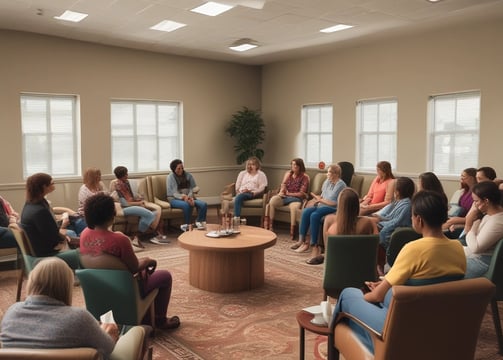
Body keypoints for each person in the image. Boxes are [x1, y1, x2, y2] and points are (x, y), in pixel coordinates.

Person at [330, 190, 466, 354]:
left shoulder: (413, 249)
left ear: (419, 219)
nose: (411, 218)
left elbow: (376, 296)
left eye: (412, 215)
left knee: (347, 295)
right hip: (436, 322)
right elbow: (429, 282)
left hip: (401, 324)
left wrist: (363, 296)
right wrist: (385, 287)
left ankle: (345, 347)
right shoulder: (458, 248)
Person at [0, 257, 148, 359]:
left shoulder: (12, 312)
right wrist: (109, 333)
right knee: (139, 331)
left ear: (32, 283)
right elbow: (108, 349)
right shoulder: (79, 318)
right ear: (65, 287)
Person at [80, 193, 180, 330]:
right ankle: (160, 320)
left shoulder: (84, 234)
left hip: (98, 289)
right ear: (111, 215)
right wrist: (149, 260)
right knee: (165, 276)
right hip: (123, 289)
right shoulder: (119, 240)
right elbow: (134, 267)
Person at [19, 173, 79, 269]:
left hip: (40, 246)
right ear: (44, 186)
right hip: (46, 253)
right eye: (52, 183)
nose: (54, 185)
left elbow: (48, 228)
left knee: (72, 231)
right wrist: (66, 238)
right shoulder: (40, 210)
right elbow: (54, 237)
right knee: (82, 253)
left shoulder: (30, 204)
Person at [307, 188, 375, 265]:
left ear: (340, 205)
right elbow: (375, 248)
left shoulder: (329, 220)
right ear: (357, 205)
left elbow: (328, 249)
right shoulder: (368, 222)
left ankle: (319, 254)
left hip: (335, 269)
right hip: (361, 268)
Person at [292, 164, 346, 256]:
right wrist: (316, 200)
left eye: (329, 172)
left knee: (314, 215)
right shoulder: (327, 182)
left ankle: (314, 244)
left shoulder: (340, 184)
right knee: (306, 211)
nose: (327, 174)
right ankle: (301, 241)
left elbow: (334, 202)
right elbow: (322, 195)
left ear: (336, 174)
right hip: (322, 205)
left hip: (333, 207)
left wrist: (320, 200)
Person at [368, 177, 415, 273]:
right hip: (384, 224)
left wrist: (379, 222)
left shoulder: (407, 205)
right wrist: (378, 217)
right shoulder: (398, 202)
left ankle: (378, 265)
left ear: (397, 191)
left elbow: (396, 222)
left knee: (369, 226)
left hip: (392, 230)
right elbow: (388, 215)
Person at [113, 166, 167, 245]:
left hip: (132, 204)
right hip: (124, 208)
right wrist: (138, 203)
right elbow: (125, 203)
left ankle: (151, 233)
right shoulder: (118, 186)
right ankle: (139, 235)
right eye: (126, 174)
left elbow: (131, 197)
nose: (127, 175)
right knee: (150, 215)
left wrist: (138, 199)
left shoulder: (126, 183)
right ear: (122, 175)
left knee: (156, 213)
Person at [463, 181, 503, 278]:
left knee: (443, 267)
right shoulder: (488, 216)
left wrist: (469, 224)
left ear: (486, 201)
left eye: (476, 201)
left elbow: (475, 247)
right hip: (476, 255)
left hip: (482, 261)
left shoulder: (498, 221)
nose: (474, 204)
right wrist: (473, 227)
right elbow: (471, 240)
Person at [263, 158, 309, 237]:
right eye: (292, 164)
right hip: (285, 196)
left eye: (295, 165)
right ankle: (270, 227)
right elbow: (283, 184)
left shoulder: (305, 177)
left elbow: (302, 193)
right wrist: (281, 191)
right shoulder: (288, 174)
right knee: (273, 201)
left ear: (300, 166)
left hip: (296, 198)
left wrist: (290, 193)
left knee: (294, 208)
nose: (293, 166)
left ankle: (292, 232)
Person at [166, 159, 207, 231]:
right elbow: (174, 193)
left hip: (189, 197)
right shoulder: (171, 177)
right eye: (178, 168)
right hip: (174, 199)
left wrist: (190, 197)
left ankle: (199, 222)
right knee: (186, 205)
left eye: (182, 168)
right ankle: (186, 226)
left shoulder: (188, 175)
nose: (181, 170)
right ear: (173, 169)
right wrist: (184, 198)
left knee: (203, 204)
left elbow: (192, 188)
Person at [443, 167, 477, 237]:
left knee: (450, 222)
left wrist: (456, 220)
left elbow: (474, 217)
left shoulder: (476, 194)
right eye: (461, 176)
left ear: (472, 178)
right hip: (460, 217)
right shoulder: (464, 191)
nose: (461, 178)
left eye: (463, 176)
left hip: (468, 220)